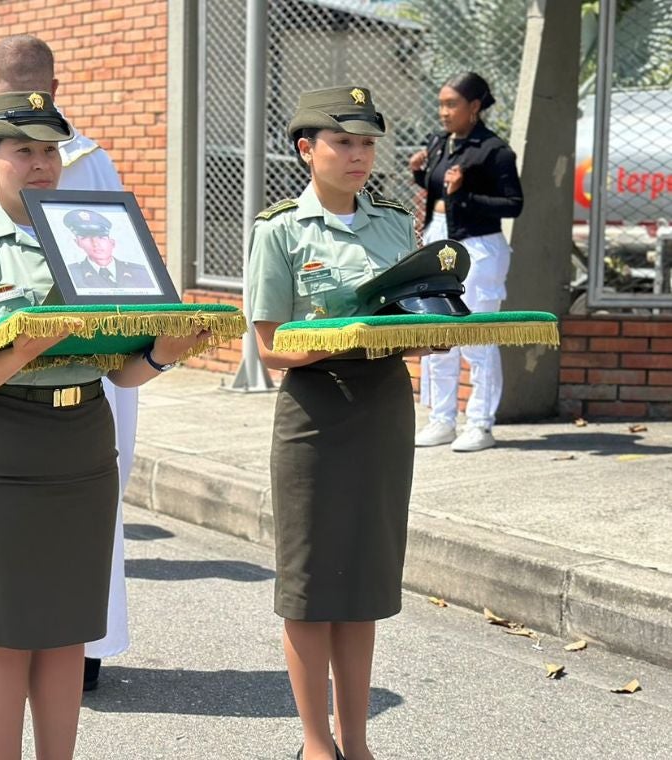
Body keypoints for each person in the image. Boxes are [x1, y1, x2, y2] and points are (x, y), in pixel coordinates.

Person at [0, 90, 209, 760]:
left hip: (81, 444)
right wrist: (26, 342)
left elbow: (120, 372)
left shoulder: (97, 239)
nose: (43, 164)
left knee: (65, 634)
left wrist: (165, 352)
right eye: (25, 151)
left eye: (51, 151)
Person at [0, 34, 136, 693]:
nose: (42, 163)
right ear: (55, 89)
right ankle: (84, 645)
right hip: (89, 377)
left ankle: (5, 646)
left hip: (2, 377)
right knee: (90, 514)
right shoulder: (89, 158)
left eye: (49, 150)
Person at [246, 86, 428, 760]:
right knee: (311, 585)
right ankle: (316, 743)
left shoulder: (390, 224)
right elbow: (270, 349)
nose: (358, 155)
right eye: (343, 142)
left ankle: (357, 742)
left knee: (363, 583)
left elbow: (409, 320)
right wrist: (343, 332)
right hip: (315, 413)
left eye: (367, 143)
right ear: (306, 150)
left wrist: (426, 335)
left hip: (383, 405)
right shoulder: (279, 231)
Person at [409, 72, 524, 452]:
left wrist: (467, 194)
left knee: (476, 336)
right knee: (438, 335)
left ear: (474, 107)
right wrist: (419, 172)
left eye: (451, 104)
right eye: (441, 104)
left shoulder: (494, 151)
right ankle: (442, 420)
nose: (443, 112)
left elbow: (513, 204)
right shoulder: (441, 143)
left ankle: (480, 424)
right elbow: (436, 187)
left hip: (479, 247)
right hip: (441, 239)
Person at [62, 208, 155, 289]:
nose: (95, 243)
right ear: (78, 243)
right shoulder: (71, 274)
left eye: (101, 237)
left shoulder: (140, 273)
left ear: (112, 242)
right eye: (86, 237)